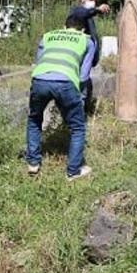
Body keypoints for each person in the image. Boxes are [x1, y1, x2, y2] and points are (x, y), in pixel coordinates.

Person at [25, 14, 96, 181]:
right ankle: (73, 171)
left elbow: (39, 60)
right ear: (83, 29)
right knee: (77, 127)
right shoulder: (86, 40)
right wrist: (78, 97)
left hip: (40, 79)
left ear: (64, 27)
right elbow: (84, 75)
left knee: (34, 119)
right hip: (66, 82)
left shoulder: (48, 36)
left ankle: (33, 163)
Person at [67, 0, 110, 108]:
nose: (94, 3)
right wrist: (97, 10)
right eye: (91, 0)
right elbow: (83, 13)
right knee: (80, 90)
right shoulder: (78, 11)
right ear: (83, 0)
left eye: (95, 1)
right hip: (77, 61)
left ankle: (84, 113)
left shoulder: (89, 17)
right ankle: (77, 119)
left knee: (86, 89)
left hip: (86, 63)